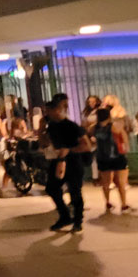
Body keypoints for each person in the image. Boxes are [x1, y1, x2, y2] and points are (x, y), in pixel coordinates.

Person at [45, 96, 87, 233]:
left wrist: (69, 150)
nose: (48, 114)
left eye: (49, 111)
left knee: (75, 192)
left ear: (57, 110)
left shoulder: (71, 126)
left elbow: (86, 145)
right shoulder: (51, 126)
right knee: (51, 188)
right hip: (57, 162)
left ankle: (78, 221)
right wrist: (40, 129)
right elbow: (44, 144)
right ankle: (64, 216)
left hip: (73, 162)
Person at [92, 107, 130, 214]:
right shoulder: (114, 126)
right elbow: (123, 137)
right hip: (117, 157)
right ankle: (123, 204)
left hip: (102, 158)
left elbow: (92, 139)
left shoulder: (94, 128)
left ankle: (108, 202)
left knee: (105, 183)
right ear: (109, 116)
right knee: (121, 183)